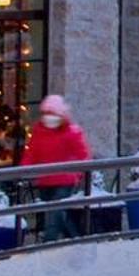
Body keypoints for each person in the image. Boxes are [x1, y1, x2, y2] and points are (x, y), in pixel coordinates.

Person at [19, 95, 91, 243]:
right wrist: (23, 170)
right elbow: (31, 153)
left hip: (65, 179)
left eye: (52, 114)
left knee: (55, 213)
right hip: (45, 180)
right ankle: (76, 239)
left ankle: (48, 243)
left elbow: (83, 155)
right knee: (58, 214)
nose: (49, 118)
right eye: (46, 113)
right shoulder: (39, 132)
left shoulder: (72, 133)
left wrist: (77, 174)